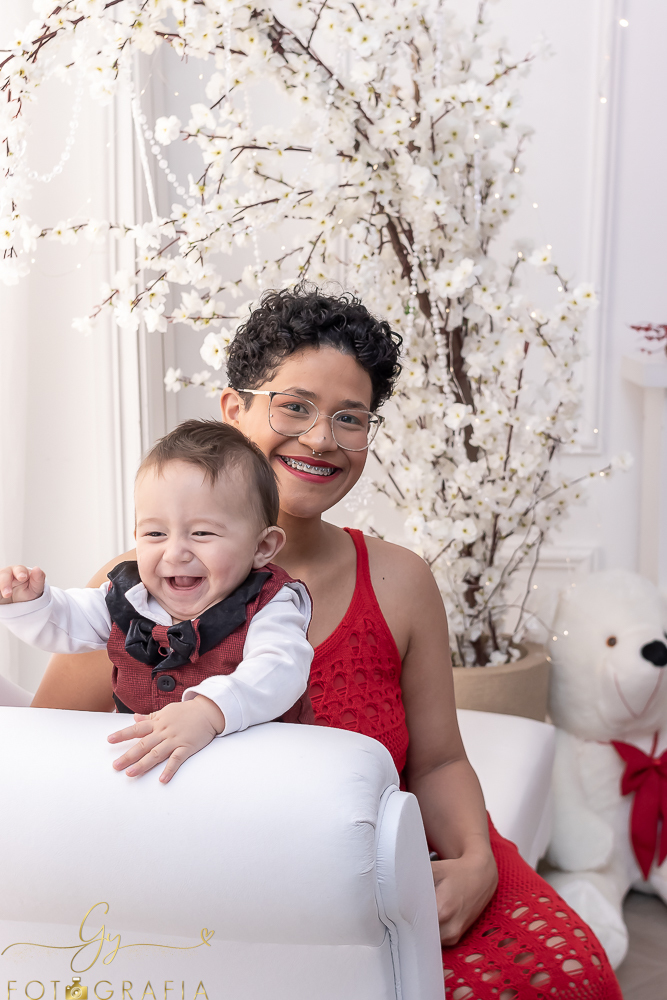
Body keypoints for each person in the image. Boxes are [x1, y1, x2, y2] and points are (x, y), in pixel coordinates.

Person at [30, 285, 622, 998]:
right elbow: (46, 761)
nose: (321, 438)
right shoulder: (137, 596)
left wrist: (473, 863)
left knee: (564, 972)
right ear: (233, 409)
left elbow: (436, 761)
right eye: (294, 406)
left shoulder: (399, 581)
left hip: (395, 867)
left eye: (349, 417)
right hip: (221, 892)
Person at [1, 420, 313, 783]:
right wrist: (32, 602)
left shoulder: (271, 605)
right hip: (153, 777)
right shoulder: (130, 597)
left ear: (262, 547)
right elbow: (67, 623)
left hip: (253, 774)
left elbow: (280, 668)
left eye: (202, 533)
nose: (176, 552)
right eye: (155, 533)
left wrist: (209, 711)